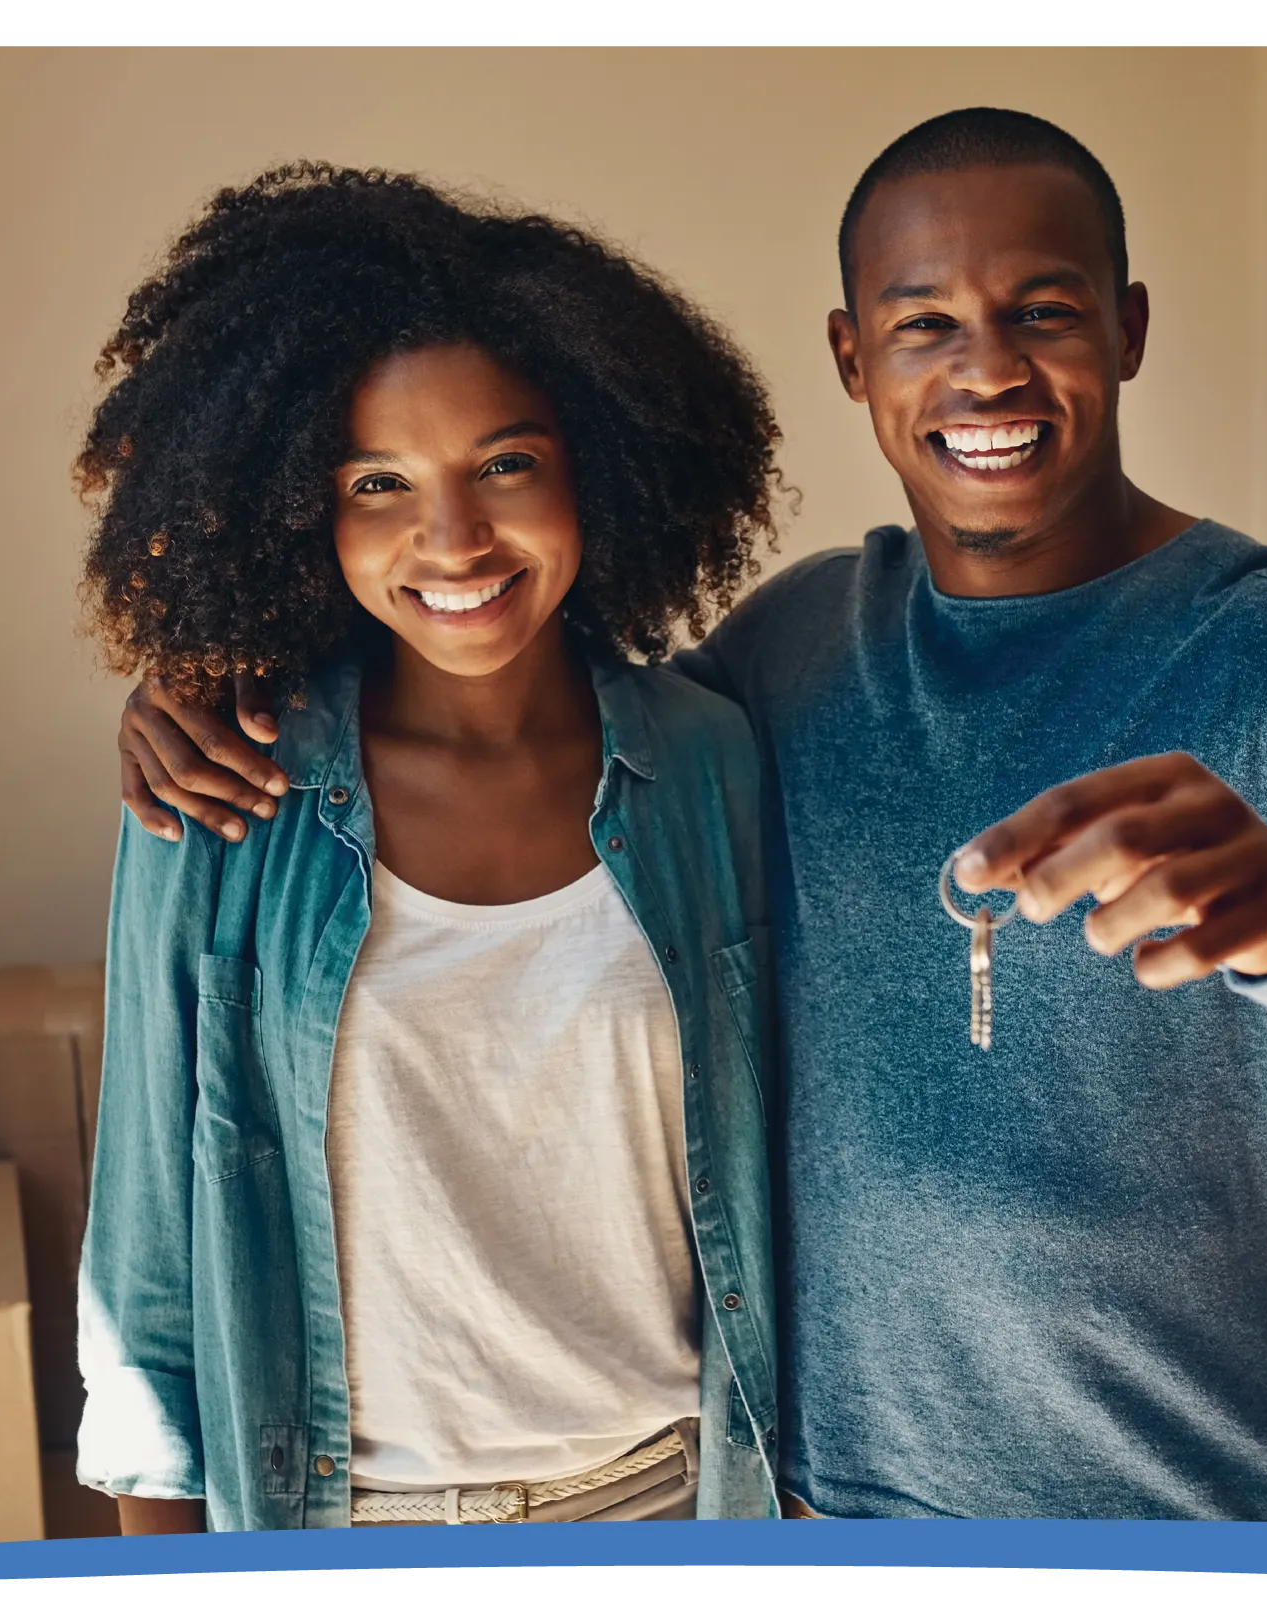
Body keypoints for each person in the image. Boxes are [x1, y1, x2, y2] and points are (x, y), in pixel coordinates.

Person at [111, 112, 1267, 1522]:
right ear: (852, 354)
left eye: (1047, 311)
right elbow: (511, 691)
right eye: (927, 322)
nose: (986, 372)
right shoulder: (789, 657)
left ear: (1130, 327)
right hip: (814, 1505)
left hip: (1194, 1510)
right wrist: (220, 682)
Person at [74, 163, 787, 1532]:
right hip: (341, 1514)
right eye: (376, 481)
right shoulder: (231, 790)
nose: (452, 536)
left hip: (673, 1498)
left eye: (506, 462)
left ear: (600, 458)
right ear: (298, 508)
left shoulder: (710, 765)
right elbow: (147, 1269)